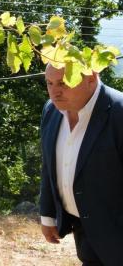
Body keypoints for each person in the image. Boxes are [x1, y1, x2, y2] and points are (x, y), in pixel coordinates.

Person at [39, 63, 123, 265]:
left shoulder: (119, 113)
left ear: (91, 77)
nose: (54, 92)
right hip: (84, 230)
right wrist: (48, 215)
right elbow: (50, 165)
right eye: (49, 83)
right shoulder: (51, 110)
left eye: (63, 83)